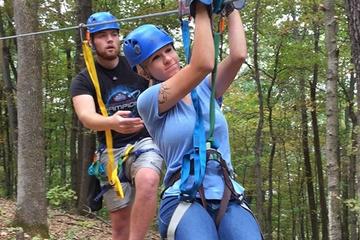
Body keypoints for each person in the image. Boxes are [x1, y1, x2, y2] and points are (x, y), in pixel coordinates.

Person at [123, 1, 262, 239]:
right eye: (156, 58)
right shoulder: (149, 101)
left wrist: (230, 9)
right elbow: (203, 63)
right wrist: (199, 8)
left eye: (168, 50)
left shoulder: (206, 89)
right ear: (144, 71)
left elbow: (238, 55)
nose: (167, 59)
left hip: (228, 193)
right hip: (184, 195)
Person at [70, 12, 163, 240]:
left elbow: (164, 78)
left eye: (114, 34)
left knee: (148, 180)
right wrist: (112, 123)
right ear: (91, 41)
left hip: (144, 141)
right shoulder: (84, 80)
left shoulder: (135, 65)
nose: (110, 39)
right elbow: (86, 116)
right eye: (102, 36)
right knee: (120, 228)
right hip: (111, 154)